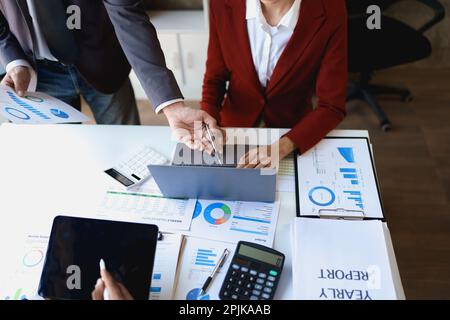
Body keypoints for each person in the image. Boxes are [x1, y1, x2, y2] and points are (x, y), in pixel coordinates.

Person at [0, 0, 218, 150]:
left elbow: (129, 17)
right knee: (65, 152)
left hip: (103, 60)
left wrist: (171, 105)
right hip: (38, 72)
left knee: (129, 147)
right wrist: (13, 59)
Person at [202, 0, 348, 167]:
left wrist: (285, 145)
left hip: (293, 131)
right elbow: (215, 79)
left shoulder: (331, 9)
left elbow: (331, 106)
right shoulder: (221, 4)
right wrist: (208, 121)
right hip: (232, 130)